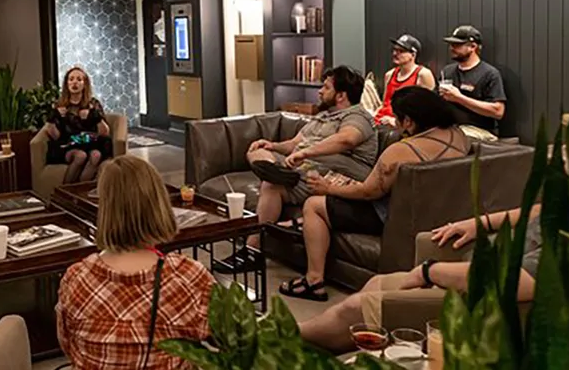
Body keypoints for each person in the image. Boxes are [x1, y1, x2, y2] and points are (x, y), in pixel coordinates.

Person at [280, 87, 470, 301]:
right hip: (439, 214)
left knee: (314, 205)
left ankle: (313, 280)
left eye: (397, 119)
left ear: (408, 121)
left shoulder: (400, 152)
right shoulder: (459, 137)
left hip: (391, 218)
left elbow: (367, 192)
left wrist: (329, 188)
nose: (395, 125)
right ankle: (301, 225)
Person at [299, 203, 540, 353]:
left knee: (357, 308)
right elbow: (540, 208)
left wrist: (430, 271)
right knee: (377, 284)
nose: (555, 156)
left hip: (478, 296)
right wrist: (481, 223)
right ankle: (323, 339)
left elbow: (514, 282)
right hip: (466, 269)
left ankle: (289, 331)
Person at [56, 155, 215, 370]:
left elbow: (69, 346)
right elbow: (230, 341)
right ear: (158, 203)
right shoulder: (189, 277)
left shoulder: (76, 279)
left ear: (105, 208)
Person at [216, 66, 377, 275]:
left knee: (274, 181)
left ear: (341, 95)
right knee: (260, 159)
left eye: (325, 87)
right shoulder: (322, 117)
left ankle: (279, 176)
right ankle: (273, 173)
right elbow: (294, 144)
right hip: (304, 171)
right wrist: (272, 146)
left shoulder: (357, 116)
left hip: (336, 177)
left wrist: (306, 153)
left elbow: (347, 139)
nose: (320, 91)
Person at [45, 67, 113, 184]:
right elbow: (55, 136)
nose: (75, 82)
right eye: (71, 79)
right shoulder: (60, 104)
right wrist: (53, 117)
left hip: (90, 144)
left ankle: (80, 193)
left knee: (96, 155)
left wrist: (94, 116)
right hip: (67, 145)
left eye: (79, 79)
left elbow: (104, 132)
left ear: (85, 84)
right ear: (66, 84)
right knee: (80, 156)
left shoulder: (93, 104)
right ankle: (64, 193)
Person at [440, 25, 506, 139]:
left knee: (452, 139)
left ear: (473, 46)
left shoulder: (489, 73)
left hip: (479, 130)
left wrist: (459, 98)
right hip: (451, 127)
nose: (452, 48)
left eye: (457, 45)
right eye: (451, 44)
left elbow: (498, 111)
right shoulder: (447, 71)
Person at [373, 34, 435, 126]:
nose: (395, 54)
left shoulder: (422, 74)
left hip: (403, 124)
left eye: (401, 51)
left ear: (413, 55)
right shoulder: (389, 75)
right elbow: (385, 103)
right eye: (394, 50)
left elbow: (428, 108)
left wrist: (395, 121)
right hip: (381, 120)